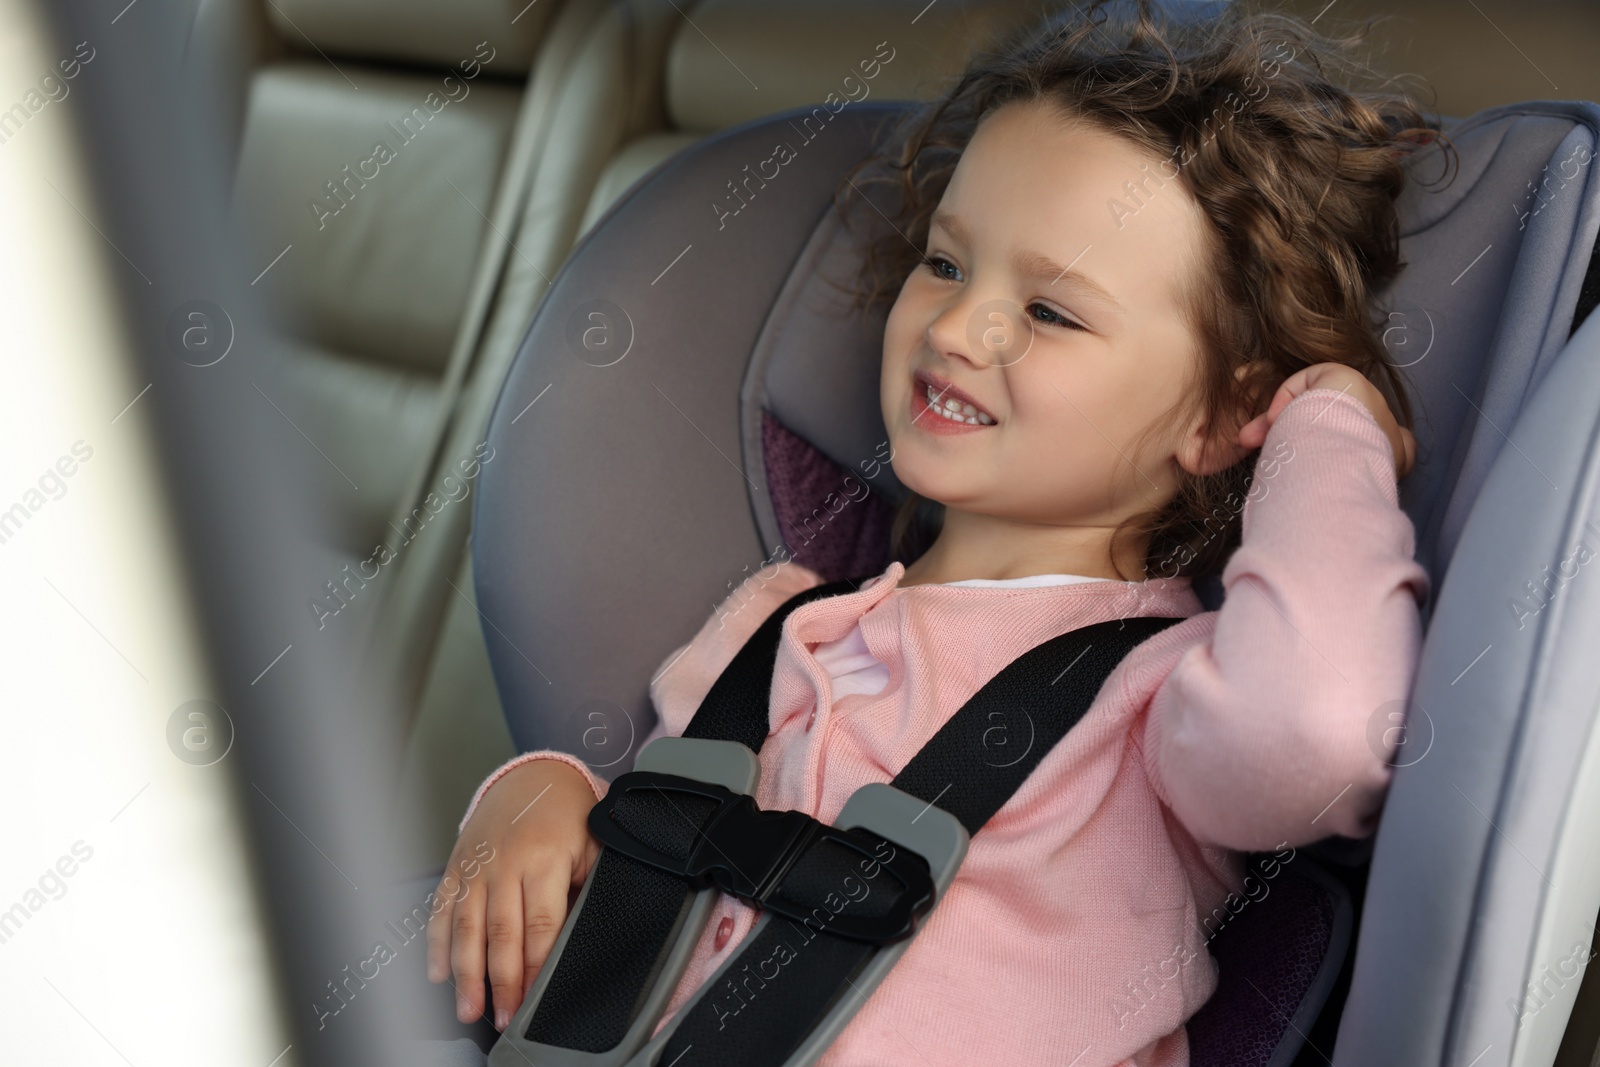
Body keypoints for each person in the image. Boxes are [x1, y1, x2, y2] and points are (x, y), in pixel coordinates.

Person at [425, 2, 1447, 1062]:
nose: (956, 328)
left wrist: (1324, 423)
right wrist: (540, 792)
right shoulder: (780, 622)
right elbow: (668, 848)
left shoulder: (1161, 697)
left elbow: (1320, 729)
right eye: (946, 263)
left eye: (1051, 312)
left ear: (1218, 415)